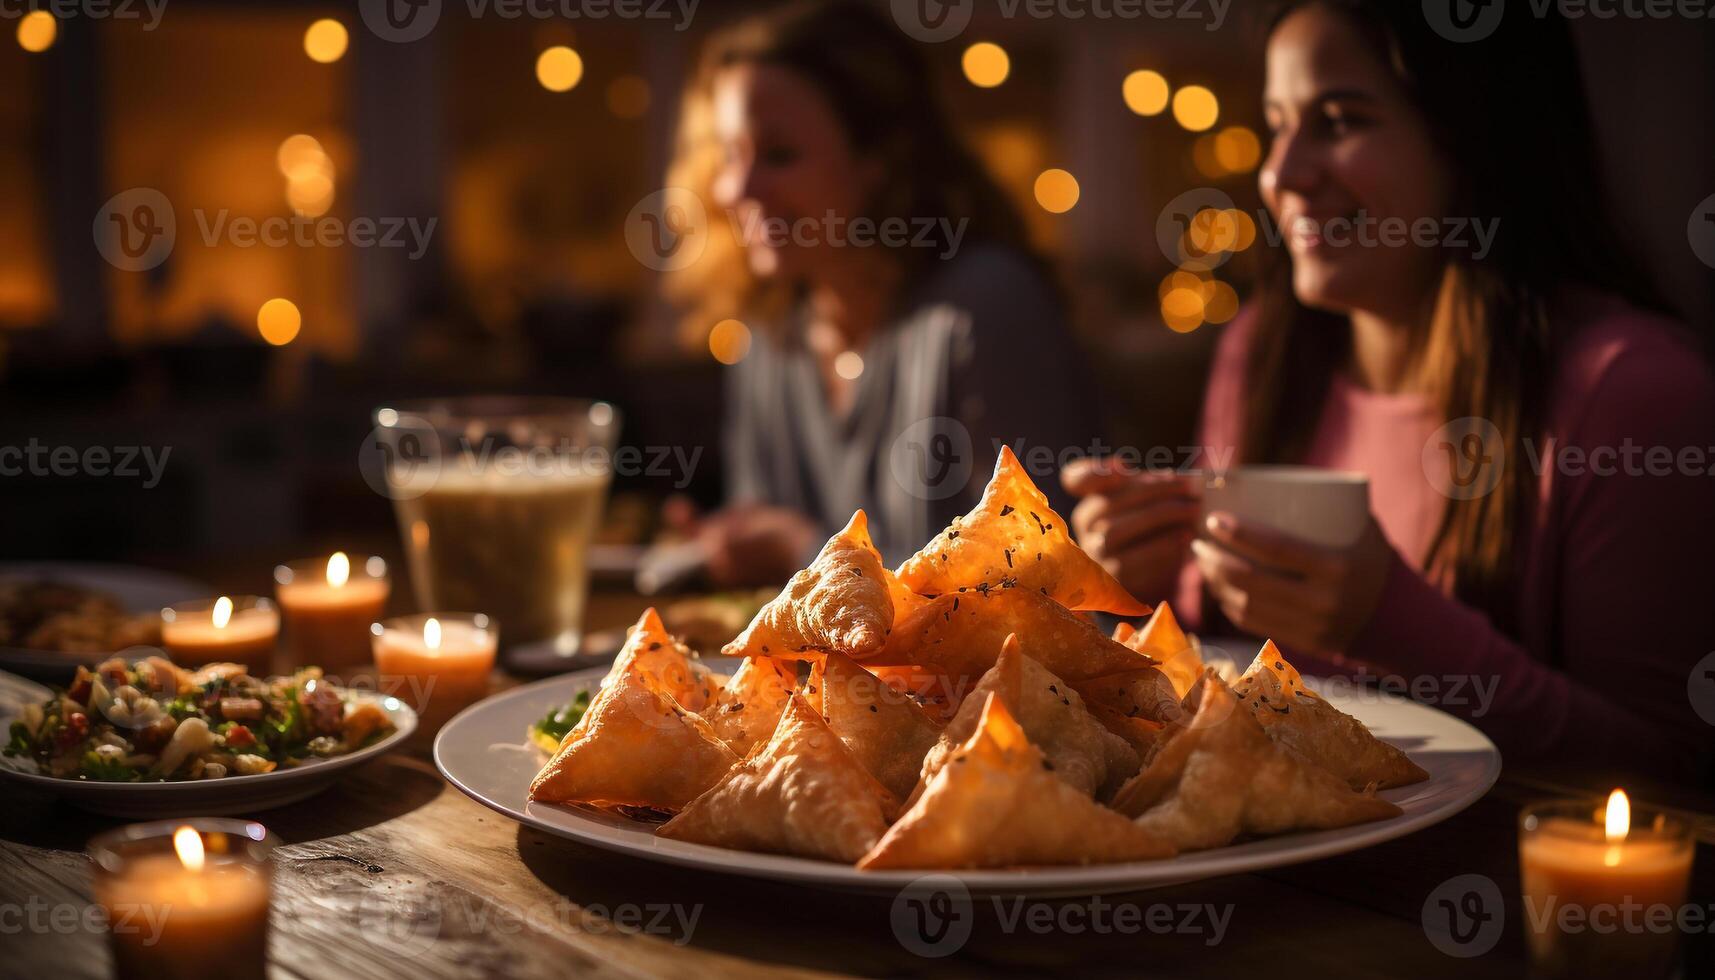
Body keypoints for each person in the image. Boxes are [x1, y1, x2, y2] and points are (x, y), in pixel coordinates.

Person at [1065, 0, 1715, 780]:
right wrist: (1147, 583)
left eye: (1338, 121)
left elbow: (1672, 773)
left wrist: (1391, 626)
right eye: (1277, 124)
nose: (1280, 174)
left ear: (1475, 138)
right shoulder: (1263, 351)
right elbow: (1231, 687)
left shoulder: (1633, 392)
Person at [663, 0, 1097, 581]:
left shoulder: (986, 307)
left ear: (879, 162)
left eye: (780, 155)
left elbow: (1040, 579)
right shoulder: (767, 338)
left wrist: (803, 550)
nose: (736, 187)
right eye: (731, 155)